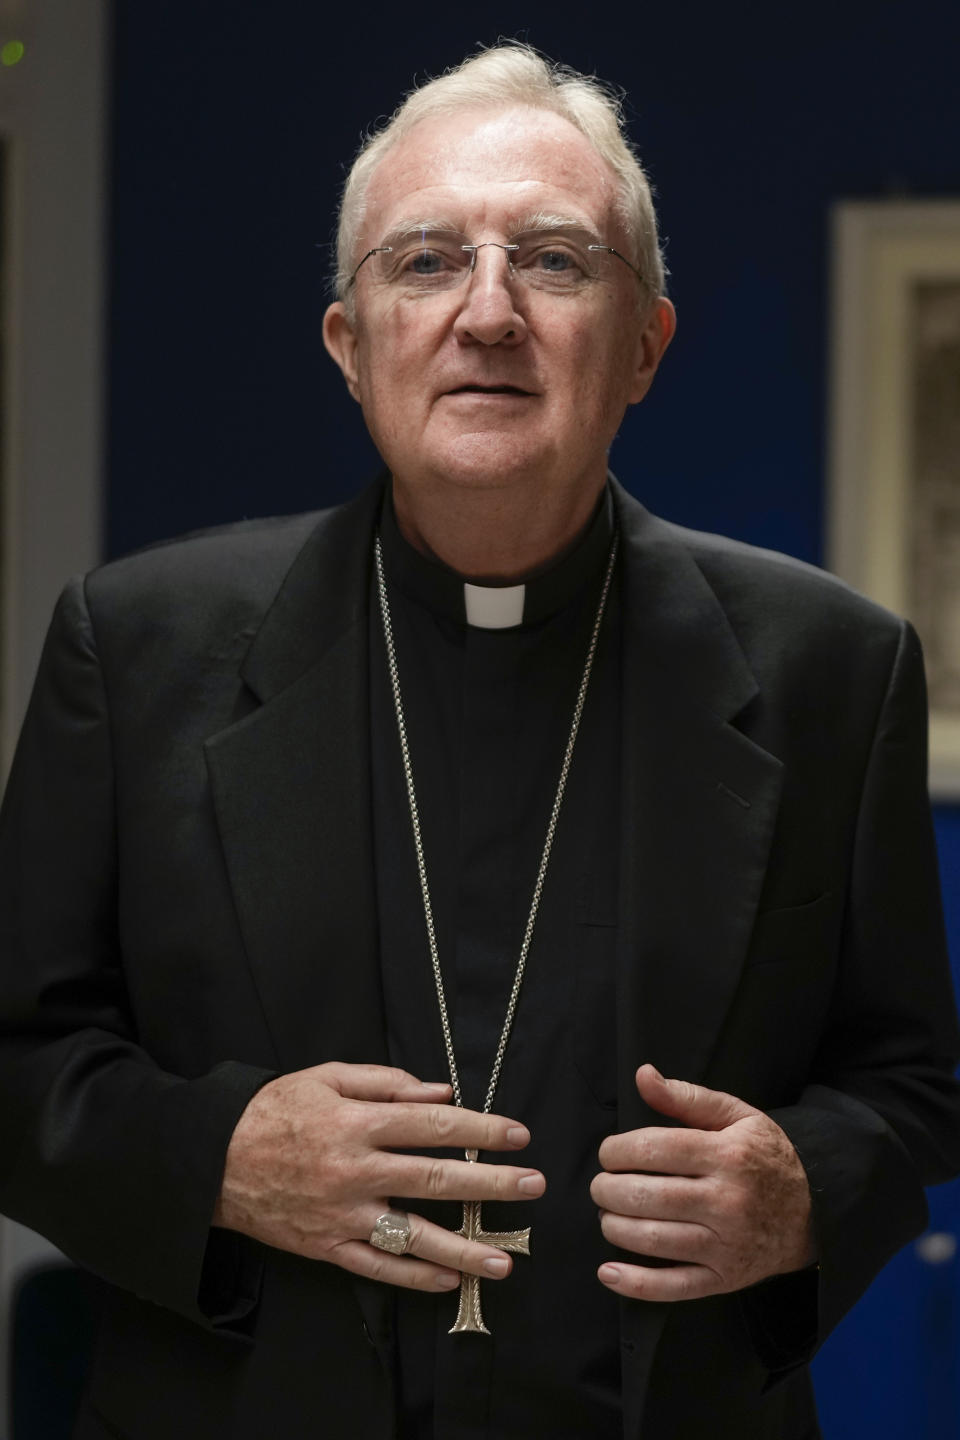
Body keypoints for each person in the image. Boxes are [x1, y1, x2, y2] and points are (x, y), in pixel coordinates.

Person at [1, 42, 958, 1440]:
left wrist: (806, 1187)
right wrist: (218, 1155)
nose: (490, 312)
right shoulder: (139, 646)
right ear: (351, 342)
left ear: (646, 345)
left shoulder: (831, 668)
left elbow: (913, 1080)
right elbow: (16, 1055)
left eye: (557, 262)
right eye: (427, 261)